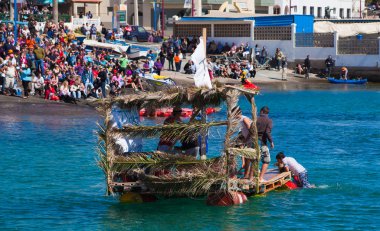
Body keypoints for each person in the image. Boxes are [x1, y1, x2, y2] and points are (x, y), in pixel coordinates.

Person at [256, 106, 274, 182]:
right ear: (267, 113)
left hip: (253, 141)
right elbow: (267, 132)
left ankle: (253, 176)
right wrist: (271, 142)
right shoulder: (269, 120)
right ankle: (260, 178)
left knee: (254, 159)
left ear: (261, 111)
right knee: (266, 160)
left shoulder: (255, 118)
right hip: (262, 142)